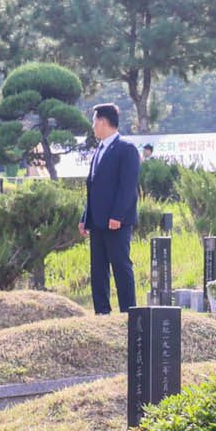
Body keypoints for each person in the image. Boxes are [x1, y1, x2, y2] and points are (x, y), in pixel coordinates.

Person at [80, 103, 139, 315]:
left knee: (121, 267)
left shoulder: (126, 148)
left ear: (103, 121)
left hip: (116, 221)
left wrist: (118, 215)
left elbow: (127, 186)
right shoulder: (100, 149)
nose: (93, 126)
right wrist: (85, 217)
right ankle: (101, 312)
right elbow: (93, 186)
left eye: (94, 121)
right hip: (97, 221)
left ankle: (129, 313)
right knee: (98, 270)